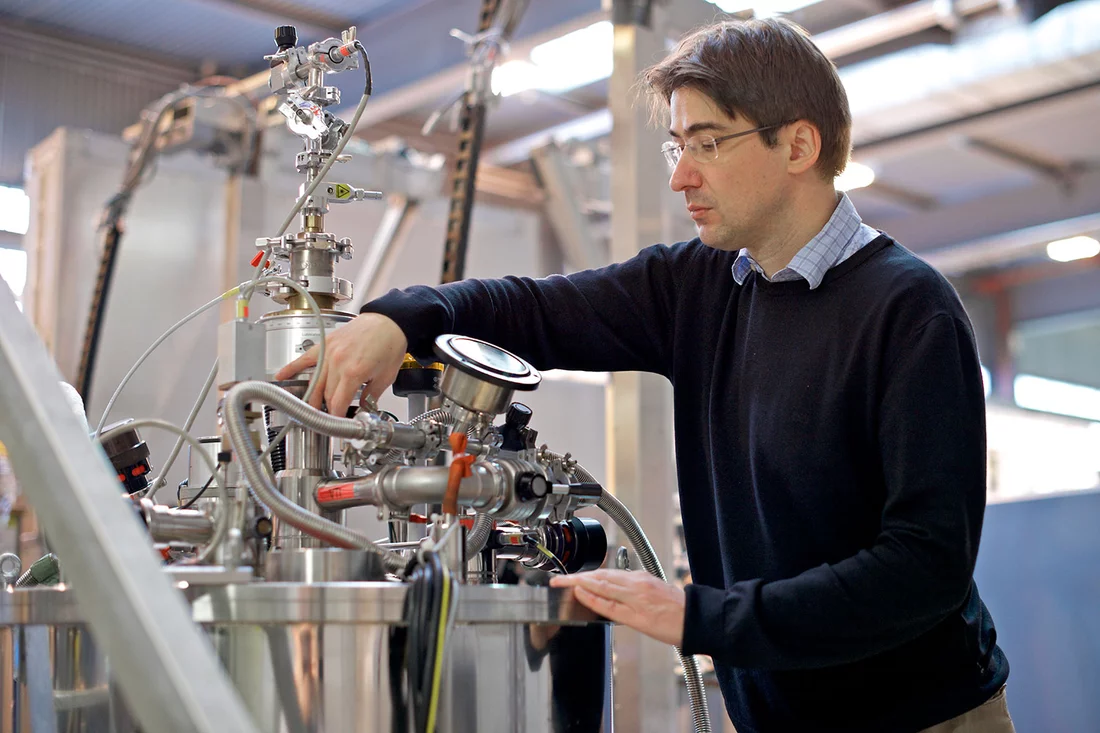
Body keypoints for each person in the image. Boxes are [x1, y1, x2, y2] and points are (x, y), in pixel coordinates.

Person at [277, 17, 1012, 733]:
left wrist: (700, 616)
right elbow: (537, 311)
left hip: (925, 717)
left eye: (708, 144)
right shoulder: (699, 286)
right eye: (675, 146)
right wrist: (403, 317)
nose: (682, 176)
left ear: (798, 145)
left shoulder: (911, 313)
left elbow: (925, 566)